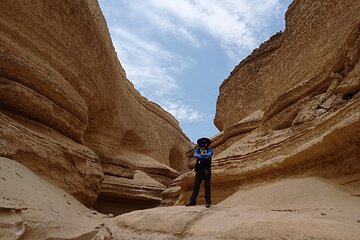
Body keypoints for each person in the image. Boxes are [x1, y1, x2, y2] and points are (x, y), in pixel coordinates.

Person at [186, 137, 213, 208]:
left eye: (205, 143)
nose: (204, 145)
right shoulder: (197, 149)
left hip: (207, 170)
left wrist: (200, 156)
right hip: (199, 170)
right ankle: (192, 201)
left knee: (207, 186)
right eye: (202, 143)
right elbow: (195, 155)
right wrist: (204, 156)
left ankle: (208, 201)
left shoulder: (209, 150)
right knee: (196, 186)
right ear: (200, 144)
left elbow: (209, 154)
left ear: (207, 144)